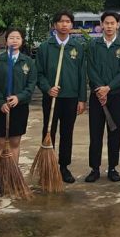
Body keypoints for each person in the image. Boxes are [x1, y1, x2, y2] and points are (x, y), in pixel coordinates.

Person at [36, 11, 88, 184]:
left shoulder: (77, 47)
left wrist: (82, 99)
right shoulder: (45, 47)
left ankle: (64, 166)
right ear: (54, 25)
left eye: (67, 21)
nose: (64, 24)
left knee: (67, 133)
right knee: (48, 130)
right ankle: (47, 166)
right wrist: (47, 88)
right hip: (51, 97)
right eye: (61, 21)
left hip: (70, 97)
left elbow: (82, 74)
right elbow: (39, 73)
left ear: (72, 25)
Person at [0, 28, 36, 192]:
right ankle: (0, 178)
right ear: (6, 41)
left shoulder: (27, 62)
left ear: (22, 41)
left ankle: (13, 176)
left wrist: (19, 97)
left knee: (15, 142)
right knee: (0, 143)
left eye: (18, 38)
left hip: (19, 107)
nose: (14, 40)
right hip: (0, 107)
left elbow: (31, 85)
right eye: (11, 38)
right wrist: (1, 101)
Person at [85, 11, 120, 182]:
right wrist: (100, 89)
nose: (109, 26)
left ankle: (112, 168)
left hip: (115, 96)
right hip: (97, 96)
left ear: (118, 25)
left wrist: (108, 88)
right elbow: (91, 69)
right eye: (106, 23)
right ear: (101, 25)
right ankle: (94, 168)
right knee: (95, 133)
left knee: (115, 133)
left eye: (113, 23)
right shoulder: (93, 45)